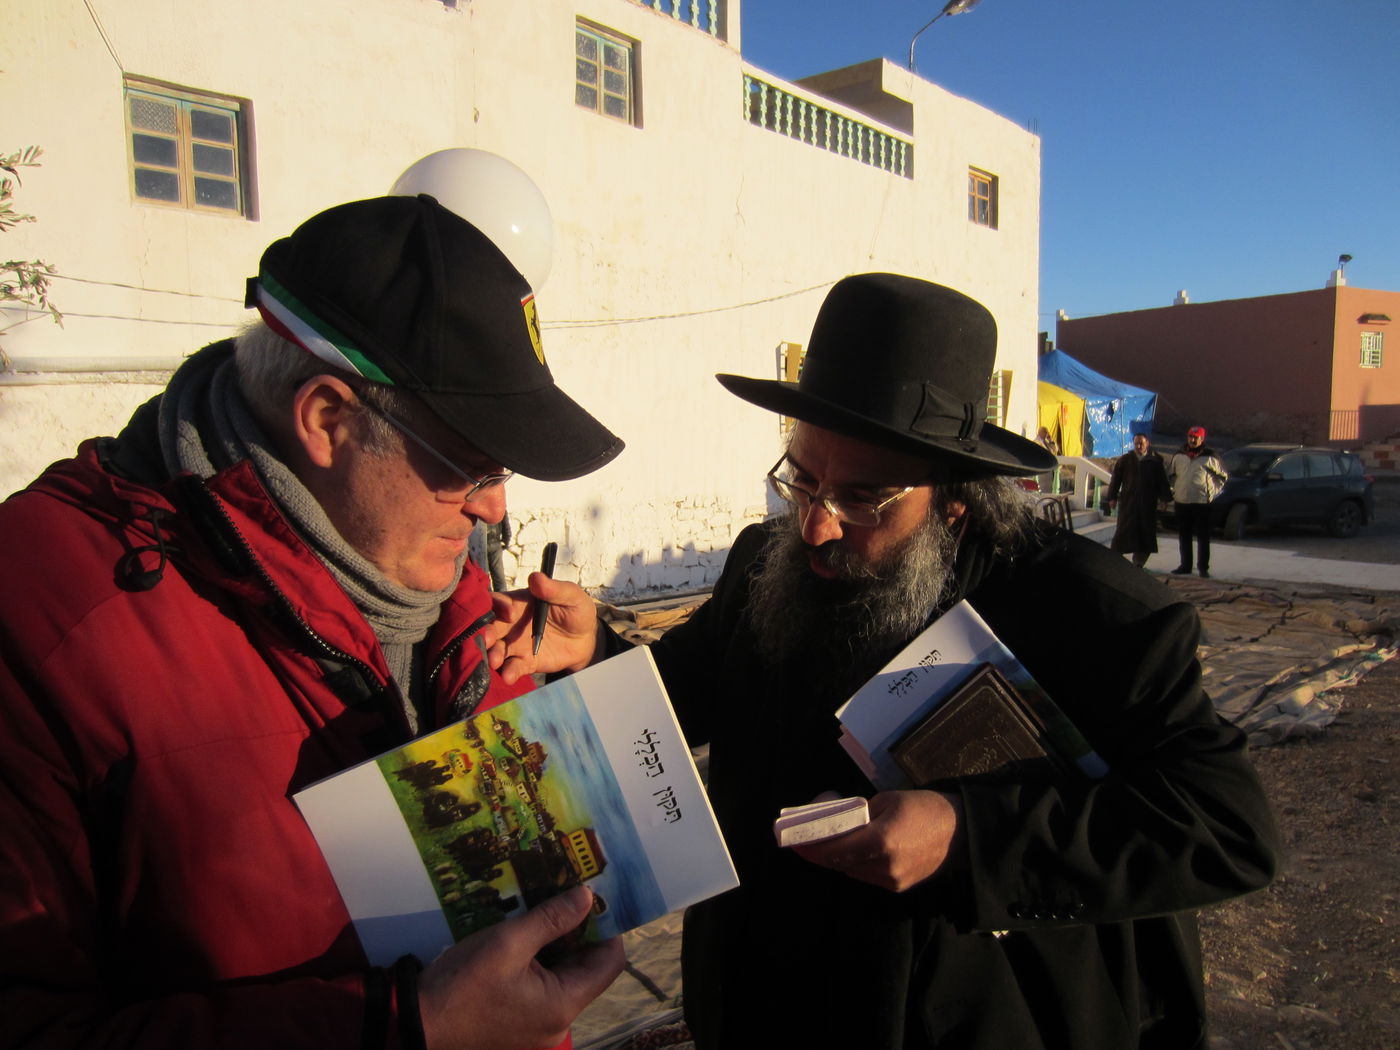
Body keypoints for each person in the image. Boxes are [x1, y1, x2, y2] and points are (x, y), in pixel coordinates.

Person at [490, 275, 1279, 1050]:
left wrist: (968, 837)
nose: (816, 528)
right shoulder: (766, 561)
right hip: (754, 1002)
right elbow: (682, 696)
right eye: (802, 480)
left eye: (864, 499)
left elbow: (1226, 829)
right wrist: (592, 649)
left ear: (958, 498)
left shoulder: (1090, 616)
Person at [0, 195, 628, 1049]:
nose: (494, 507)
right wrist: (405, 1030)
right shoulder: (43, 611)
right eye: (469, 464)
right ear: (328, 421)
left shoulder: (458, 597)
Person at [1168, 425, 1228, 578]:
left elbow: (1223, 477)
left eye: (1196, 437)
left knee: (1203, 537)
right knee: (1184, 536)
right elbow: (1171, 475)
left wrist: (1211, 492)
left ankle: (1203, 568)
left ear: (1202, 439)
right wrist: (1176, 490)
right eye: (1190, 437)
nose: (1192, 440)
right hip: (1182, 501)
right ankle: (1185, 565)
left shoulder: (1210, 457)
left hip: (1202, 502)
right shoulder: (1179, 455)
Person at [1106, 431, 1172, 568]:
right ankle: (1115, 561)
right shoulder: (1126, 459)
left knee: (1144, 534)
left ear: (1147, 443)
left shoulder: (1155, 460)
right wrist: (1112, 497)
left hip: (1147, 503)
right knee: (1123, 533)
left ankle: (1139, 563)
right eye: (1136, 443)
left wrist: (1164, 499)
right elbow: (1116, 479)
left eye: (1141, 443)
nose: (1139, 446)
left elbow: (1162, 481)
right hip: (1129, 502)